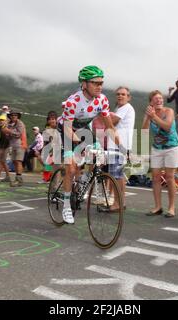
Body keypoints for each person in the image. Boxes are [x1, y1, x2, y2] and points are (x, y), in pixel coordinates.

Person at [58, 65, 119, 224]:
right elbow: (68, 130)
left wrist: (124, 149)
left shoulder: (102, 100)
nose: (99, 86)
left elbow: (110, 127)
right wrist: (79, 143)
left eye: (101, 83)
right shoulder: (73, 102)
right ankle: (66, 206)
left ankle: (85, 178)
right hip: (67, 130)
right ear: (84, 84)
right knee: (71, 168)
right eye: (95, 83)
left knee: (98, 155)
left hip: (84, 129)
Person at [143, 90, 178, 218]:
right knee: (155, 177)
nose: (159, 100)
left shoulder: (168, 111)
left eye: (160, 98)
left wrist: (154, 117)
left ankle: (171, 208)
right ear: (151, 102)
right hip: (157, 147)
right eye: (156, 99)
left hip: (172, 147)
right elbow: (144, 131)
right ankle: (158, 206)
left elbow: (167, 126)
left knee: (170, 177)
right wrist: (148, 118)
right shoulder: (149, 113)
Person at [104, 87, 136, 212]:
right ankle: (120, 202)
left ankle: (117, 204)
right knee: (118, 176)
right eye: (118, 94)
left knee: (116, 177)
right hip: (118, 146)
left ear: (128, 97)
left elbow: (111, 122)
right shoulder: (119, 109)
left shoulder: (126, 107)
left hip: (119, 147)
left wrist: (105, 116)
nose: (120, 96)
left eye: (123, 94)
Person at [6, 112, 27, 187]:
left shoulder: (20, 123)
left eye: (15, 115)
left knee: (18, 161)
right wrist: (7, 132)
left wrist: (9, 131)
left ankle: (19, 179)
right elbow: (7, 136)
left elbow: (18, 134)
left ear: (18, 116)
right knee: (14, 161)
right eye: (12, 115)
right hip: (12, 145)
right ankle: (17, 178)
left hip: (20, 144)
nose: (14, 116)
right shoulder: (9, 124)